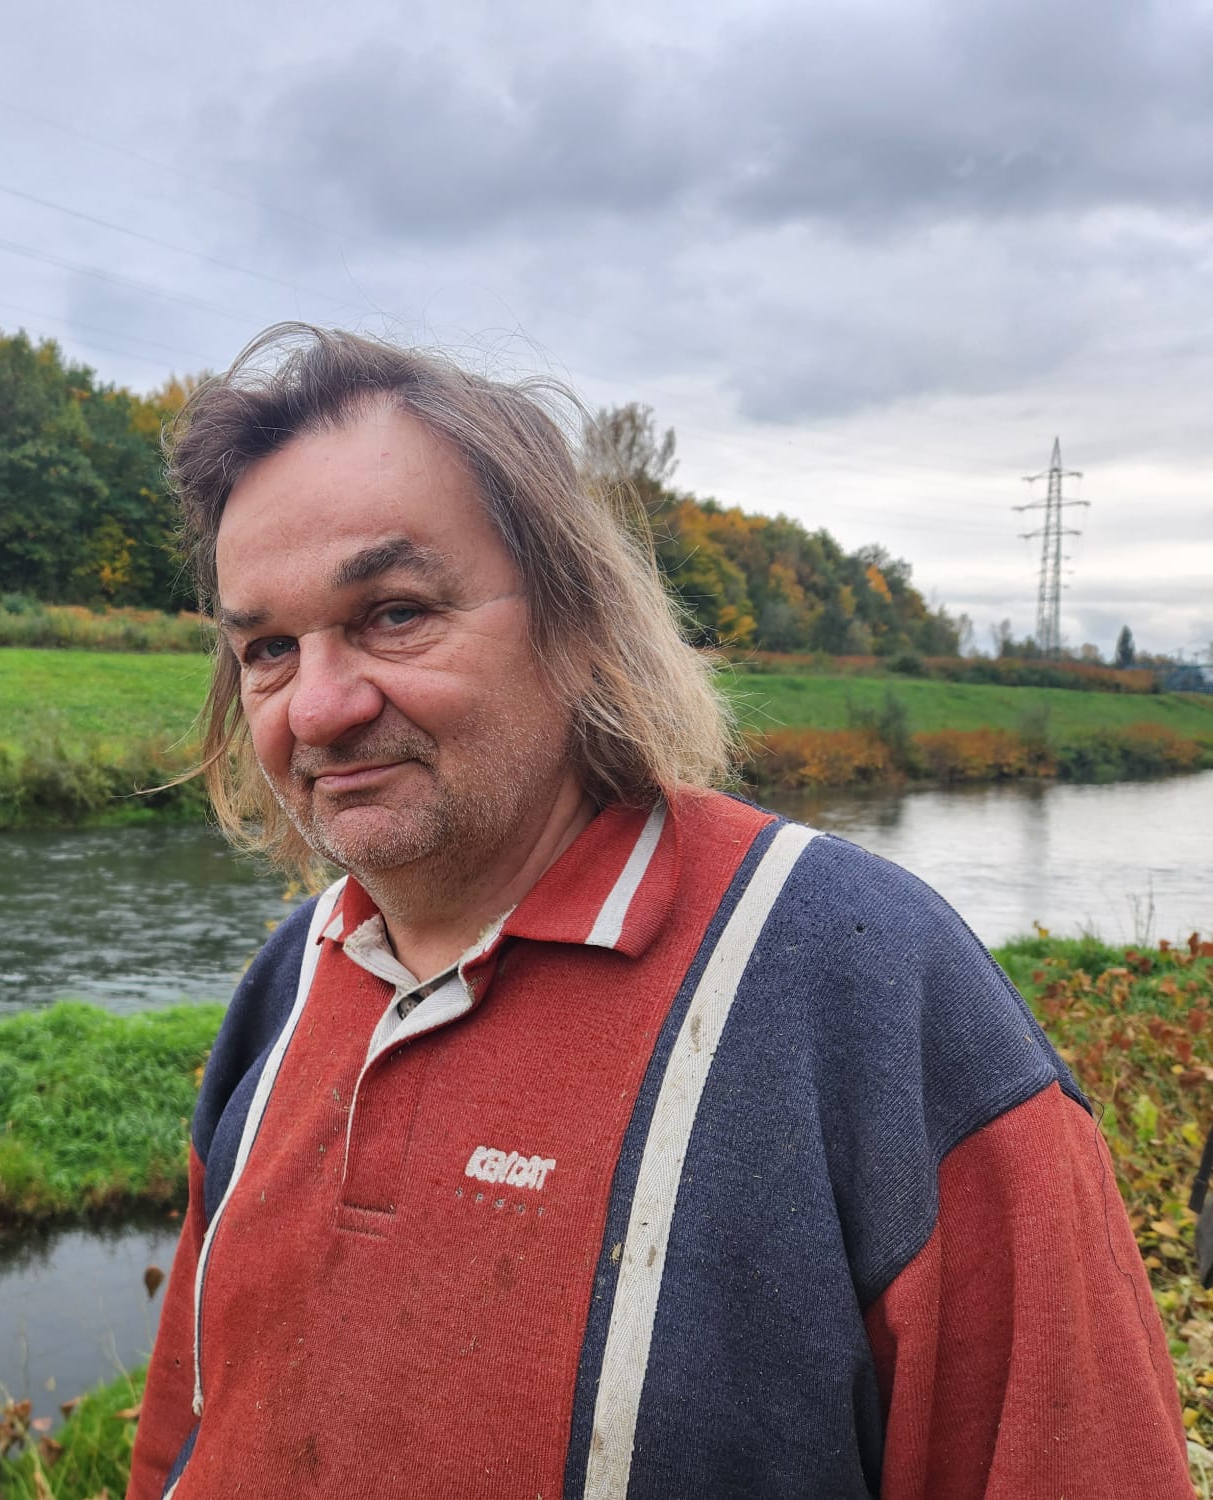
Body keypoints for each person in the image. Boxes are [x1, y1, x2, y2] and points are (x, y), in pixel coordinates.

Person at [126, 326, 1192, 1499]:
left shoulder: (871, 991)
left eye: (393, 613)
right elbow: (183, 1437)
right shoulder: (286, 984)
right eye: (267, 649)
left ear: (576, 623)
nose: (318, 708)